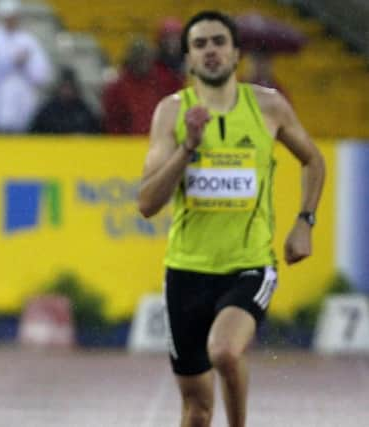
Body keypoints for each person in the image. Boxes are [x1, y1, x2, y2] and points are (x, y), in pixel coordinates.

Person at [137, 11, 324, 427]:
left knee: (224, 350)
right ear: (187, 59)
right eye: (200, 44)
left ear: (236, 52)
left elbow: (313, 160)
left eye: (219, 42)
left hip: (249, 265)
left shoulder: (269, 107)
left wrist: (304, 222)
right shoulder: (171, 114)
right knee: (197, 411)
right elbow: (147, 203)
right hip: (186, 272)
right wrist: (188, 148)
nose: (211, 51)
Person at [0, 0, 53, 133]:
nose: (10, 21)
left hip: (24, 99)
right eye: (7, 17)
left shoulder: (28, 40)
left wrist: (25, 64)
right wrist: (11, 62)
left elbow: (42, 74)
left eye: (13, 17)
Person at [102, 38, 180, 135]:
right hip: (129, 143)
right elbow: (113, 122)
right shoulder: (117, 89)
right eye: (139, 57)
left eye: (145, 57)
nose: (143, 62)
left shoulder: (165, 81)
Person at [29, 66, 100, 134]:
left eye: (70, 87)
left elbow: (95, 132)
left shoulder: (83, 109)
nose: (66, 91)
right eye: (64, 87)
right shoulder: (48, 110)